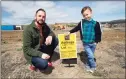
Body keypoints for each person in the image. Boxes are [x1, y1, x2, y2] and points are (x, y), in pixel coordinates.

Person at [67, 6, 102, 73]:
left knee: (90, 55)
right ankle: (93, 66)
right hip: (86, 43)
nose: (86, 16)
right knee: (91, 56)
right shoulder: (82, 23)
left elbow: (98, 33)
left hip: (93, 43)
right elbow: (76, 28)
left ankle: (87, 65)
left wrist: (96, 42)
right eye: (84, 15)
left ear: (91, 13)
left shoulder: (96, 23)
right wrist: (70, 32)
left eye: (87, 14)